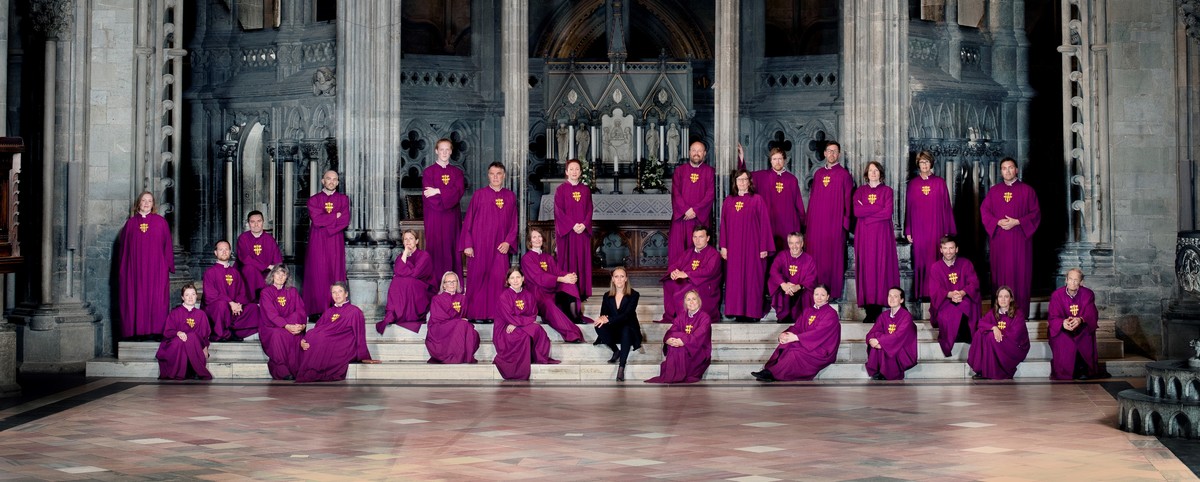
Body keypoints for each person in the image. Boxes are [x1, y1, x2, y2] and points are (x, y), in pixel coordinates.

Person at [458, 162, 518, 322]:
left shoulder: (510, 196)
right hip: (479, 245)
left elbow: (514, 223)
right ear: (488, 175)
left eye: (499, 173)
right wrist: (468, 244)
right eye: (492, 174)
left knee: (498, 280)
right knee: (478, 278)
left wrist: (508, 242)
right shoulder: (479, 195)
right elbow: (468, 220)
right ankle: (475, 314)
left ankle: (495, 314)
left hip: (500, 247)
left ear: (504, 175)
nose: (496, 177)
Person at [980, 157, 1040, 313]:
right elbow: (984, 212)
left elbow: (1035, 214)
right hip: (1000, 242)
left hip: (1020, 241)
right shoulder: (994, 191)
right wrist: (997, 222)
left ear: (1017, 170)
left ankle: (1020, 312)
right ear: (1001, 172)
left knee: (1020, 275)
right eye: (1004, 168)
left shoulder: (1028, 191)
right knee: (1000, 275)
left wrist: (1018, 222)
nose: (1007, 171)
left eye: (1011, 167)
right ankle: (999, 311)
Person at [751, 284, 841, 382]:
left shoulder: (831, 313)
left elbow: (818, 333)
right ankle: (769, 370)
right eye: (816, 294)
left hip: (822, 349)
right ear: (813, 295)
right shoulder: (808, 310)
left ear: (828, 297)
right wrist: (785, 334)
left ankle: (773, 374)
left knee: (794, 352)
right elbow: (797, 327)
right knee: (785, 345)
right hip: (807, 344)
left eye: (822, 295)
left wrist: (796, 338)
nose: (819, 298)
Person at [295, 282, 380, 383]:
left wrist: (364, 356)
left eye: (340, 291)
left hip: (345, 344)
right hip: (329, 340)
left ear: (346, 294)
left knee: (322, 338)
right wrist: (305, 339)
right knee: (314, 335)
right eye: (334, 292)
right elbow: (317, 329)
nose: (337, 295)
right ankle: (311, 370)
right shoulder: (329, 312)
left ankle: (316, 371)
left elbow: (359, 334)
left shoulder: (354, 311)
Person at [118, 191, 174, 340]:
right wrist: (124, 271)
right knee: (136, 297)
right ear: (138, 203)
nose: (146, 203)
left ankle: (156, 331)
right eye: (144, 200)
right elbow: (124, 250)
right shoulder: (130, 224)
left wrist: (167, 266)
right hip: (135, 271)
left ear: (153, 204)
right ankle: (136, 332)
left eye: (149, 201)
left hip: (156, 270)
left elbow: (167, 246)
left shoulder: (161, 222)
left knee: (156, 298)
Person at [719, 169, 774, 322]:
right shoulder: (728, 201)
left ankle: (752, 312)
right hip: (734, 248)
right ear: (735, 182)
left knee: (752, 279)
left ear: (749, 182)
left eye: (745, 179)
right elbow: (723, 225)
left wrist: (764, 247)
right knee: (735, 279)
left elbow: (765, 225)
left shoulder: (757, 200)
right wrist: (724, 246)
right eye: (739, 180)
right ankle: (736, 311)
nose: (742, 183)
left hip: (753, 247)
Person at [904, 151, 956, 301]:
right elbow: (909, 208)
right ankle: (923, 294)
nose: (924, 165)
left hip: (937, 228)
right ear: (918, 165)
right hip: (919, 229)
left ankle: (938, 292)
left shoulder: (939, 182)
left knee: (936, 258)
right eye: (922, 162)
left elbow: (946, 207)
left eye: (927, 162)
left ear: (931, 163)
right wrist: (908, 230)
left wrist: (948, 231)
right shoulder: (913, 184)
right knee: (921, 260)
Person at [492, 268, 561, 380]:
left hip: (517, 325)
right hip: (505, 330)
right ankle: (518, 370)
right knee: (523, 335)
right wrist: (519, 322)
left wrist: (518, 323)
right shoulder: (504, 297)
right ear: (508, 280)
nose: (515, 280)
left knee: (538, 329)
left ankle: (538, 357)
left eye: (518, 277)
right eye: (512, 278)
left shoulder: (528, 295)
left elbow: (533, 315)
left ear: (523, 278)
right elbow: (510, 318)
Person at [520, 227, 586, 343]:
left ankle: (574, 315)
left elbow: (557, 272)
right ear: (529, 241)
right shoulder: (527, 258)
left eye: (539, 236)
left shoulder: (548, 257)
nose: (537, 239)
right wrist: (562, 278)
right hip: (538, 294)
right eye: (534, 237)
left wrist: (570, 276)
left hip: (551, 289)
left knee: (569, 284)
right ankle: (572, 333)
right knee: (549, 303)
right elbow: (539, 277)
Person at [853, 161, 900, 324]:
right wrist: (876, 208)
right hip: (864, 236)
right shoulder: (860, 191)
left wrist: (867, 211)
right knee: (867, 269)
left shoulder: (887, 191)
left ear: (880, 173)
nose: (873, 173)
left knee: (881, 267)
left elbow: (887, 213)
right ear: (866, 173)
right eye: (870, 170)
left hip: (882, 235)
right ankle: (869, 310)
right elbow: (856, 211)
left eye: (876, 170)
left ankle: (880, 307)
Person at [806, 141, 853, 300]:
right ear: (824, 153)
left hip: (835, 224)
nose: (831, 154)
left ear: (838, 154)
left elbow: (848, 201)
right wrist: (809, 225)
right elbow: (812, 200)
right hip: (817, 225)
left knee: (833, 259)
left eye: (835, 151)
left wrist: (844, 224)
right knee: (816, 258)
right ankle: (815, 294)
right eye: (829, 151)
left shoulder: (844, 175)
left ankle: (832, 294)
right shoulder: (818, 174)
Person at [303, 170, 351, 316]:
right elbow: (316, 221)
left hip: (335, 240)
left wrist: (327, 219)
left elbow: (344, 220)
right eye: (328, 179)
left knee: (335, 271)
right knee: (318, 272)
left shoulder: (343, 199)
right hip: (317, 240)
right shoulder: (313, 200)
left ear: (337, 182)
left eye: (334, 179)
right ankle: (318, 310)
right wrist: (334, 216)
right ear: (323, 181)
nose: (331, 182)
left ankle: (336, 308)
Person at [1048, 268, 1106, 380]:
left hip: (1081, 327)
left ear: (1081, 282)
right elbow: (1053, 317)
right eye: (1070, 279)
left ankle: (1084, 369)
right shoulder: (1056, 295)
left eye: (1076, 280)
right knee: (1062, 337)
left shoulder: (1088, 294)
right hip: (1064, 328)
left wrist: (1080, 319)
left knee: (1085, 332)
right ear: (1066, 280)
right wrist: (1063, 322)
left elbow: (1091, 313)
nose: (1072, 283)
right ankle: (1066, 370)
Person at [927, 236, 980, 357]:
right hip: (945, 300)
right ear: (941, 250)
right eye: (945, 248)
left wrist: (962, 293)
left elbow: (974, 283)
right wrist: (951, 295)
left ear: (956, 249)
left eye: (951, 248)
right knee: (948, 311)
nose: (948, 251)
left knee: (967, 305)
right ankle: (951, 339)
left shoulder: (966, 264)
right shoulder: (935, 267)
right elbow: (935, 289)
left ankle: (967, 336)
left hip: (964, 297)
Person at [376, 230, 435, 334]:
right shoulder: (401, 257)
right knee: (397, 280)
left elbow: (415, 274)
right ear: (403, 242)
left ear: (417, 241)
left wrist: (404, 271)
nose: (408, 241)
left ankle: (404, 314)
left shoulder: (424, 255)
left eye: (411, 238)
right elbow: (398, 271)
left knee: (406, 280)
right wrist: (405, 253)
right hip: (409, 285)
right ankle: (397, 313)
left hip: (424, 289)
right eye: (405, 239)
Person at [646, 290, 712, 384]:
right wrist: (669, 340)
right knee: (674, 344)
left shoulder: (705, 317)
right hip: (684, 349)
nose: (691, 302)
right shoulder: (681, 317)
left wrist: (683, 340)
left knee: (679, 343)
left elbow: (698, 335)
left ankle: (674, 374)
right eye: (688, 299)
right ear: (685, 302)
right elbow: (671, 332)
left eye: (694, 299)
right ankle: (675, 375)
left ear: (699, 301)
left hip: (698, 352)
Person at [423, 139, 466, 278]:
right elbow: (428, 196)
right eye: (441, 149)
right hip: (434, 217)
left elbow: (458, 192)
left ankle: (453, 286)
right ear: (436, 151)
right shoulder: (428, 172)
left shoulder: (457, 173)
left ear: (451, 151)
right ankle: (436, 288)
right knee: (436, 251)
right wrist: (446, 195)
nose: (444, 152)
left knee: (452, 249)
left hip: (452, 218)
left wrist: (438, 191)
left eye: (447, 149)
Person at [660, 225, 722, 323]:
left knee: (684, 290)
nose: (697, 240)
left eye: (701, 237)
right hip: (689, 280)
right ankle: (673, 314)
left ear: (708, 238)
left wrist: (686, 274)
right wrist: (673, 272)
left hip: (705, 285)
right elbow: (676, 265)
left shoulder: (714, 254)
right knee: (669, 283)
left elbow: (708, 271)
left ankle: (685, 319)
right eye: (695, 237)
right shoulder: (688, 252)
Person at [968, 286, 1030, 380]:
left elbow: (1016, 334)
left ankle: (998, 372)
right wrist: (994, 327)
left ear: (1011, 299)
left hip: (1015, 347)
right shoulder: (993, 312)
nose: (1003, 299)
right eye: (1000, 296)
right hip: (999, 342)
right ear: (997, 299)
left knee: (990, 337)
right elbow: (981, 323)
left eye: (1006, 296)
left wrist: (998, 333)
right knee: (980, 333)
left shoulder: (1018, 314)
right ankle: (983, 370)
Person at [203, 240, 261, 341]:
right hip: (217, 309)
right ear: (215, 253)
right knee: (221, 305)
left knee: (253, 308)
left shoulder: (235, 273)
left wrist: (237, 305)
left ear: (230, 252)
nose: (224, 252)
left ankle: (233, 332)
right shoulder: (210, 272)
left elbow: (242, 293)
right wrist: (230, 302)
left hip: (233, 310)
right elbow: (210, 295)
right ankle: (221, 333)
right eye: (221, 249)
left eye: (227, 249)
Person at [750, 146, 806, 251]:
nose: (777, 162)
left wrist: (802, 223)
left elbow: (798, 204)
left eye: (780, 159)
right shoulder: (762, 176)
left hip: (788, 223)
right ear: (771, 161)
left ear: (784, 160)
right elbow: (744, 177)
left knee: (787, 253)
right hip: (769, 223)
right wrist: (741, 158)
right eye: (774, 159)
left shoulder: (792, 179)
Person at [668, 141, 715, 261]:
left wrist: (695, 211)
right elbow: (676, 194)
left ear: (704, 153)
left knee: (699, 250)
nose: (696, 153)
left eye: (699, 151)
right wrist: (686, 210)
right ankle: (677, 277)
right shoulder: (679, 171)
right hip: (681, 218)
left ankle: (696, 277)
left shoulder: (710, 171)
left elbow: (710, 195)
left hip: (700, 218)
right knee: (678, 249)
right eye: (694, 150)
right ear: (689, 152)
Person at [554, 158, 594, 301]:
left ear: (581, 172)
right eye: (571, 169)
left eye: (577, 169)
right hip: (567, 233)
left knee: (582, 259)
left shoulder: (585, 190)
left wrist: (584, 224)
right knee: (567, 259)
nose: (574, 172)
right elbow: (559, 212)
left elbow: (590, 209)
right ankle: (568, 291)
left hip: (582, 232)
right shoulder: (560, 190)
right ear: (566, 172)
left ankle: (582, 291)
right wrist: (572, 225)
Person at [258, 265, 307, 380]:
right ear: (272, 275)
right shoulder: (266, 292)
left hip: (291, 325)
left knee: (296, 325)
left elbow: (301, 310)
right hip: (272, 326)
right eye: (278, 273)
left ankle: (295, 368)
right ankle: (281, 369)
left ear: (287, 277)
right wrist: (286, 325)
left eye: (283, 274)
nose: (280, 276)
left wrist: (302, 325)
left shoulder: (292, 291)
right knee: (277, 334)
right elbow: (271, 315)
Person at [594, 267, 642, 381]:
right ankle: (616, 350)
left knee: (625, 329)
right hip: (614, 328)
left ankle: (621, 367)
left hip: (629, 328)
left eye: (622, 276)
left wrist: (608, 319)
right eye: (616, 276)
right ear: (613, 279)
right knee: (598, 325)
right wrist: (602, 318)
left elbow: (627, 315)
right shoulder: (607, 295)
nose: (619, 279)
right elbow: (603, 313)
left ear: (626, 279)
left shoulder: (634, 294)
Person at [156, 284, 212, 380]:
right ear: (182, 297)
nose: (190, 297)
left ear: (196, 296)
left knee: (192, 336)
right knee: (185, 339)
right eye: (187, 295)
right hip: (177, 346)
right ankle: (187, 370)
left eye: (193, 294)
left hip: (195, 348)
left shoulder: (201, 314)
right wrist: (178, 333)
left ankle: (192, 369)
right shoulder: (175, 313)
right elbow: (167, 332)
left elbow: (204, 335)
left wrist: (205, 348)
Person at [424, 271, 480, 364]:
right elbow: (439, 317)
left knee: (469, 329)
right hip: (439, 327)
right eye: (449, 282)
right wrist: (457, 319)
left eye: (454, 281)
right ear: (444, 285)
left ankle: (463, 356)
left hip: (457, 326)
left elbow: (464, 315)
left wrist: (459, 320)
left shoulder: (463, 298)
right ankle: (455, 356)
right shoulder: (437, 299)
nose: (452, 284)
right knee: (462, 324)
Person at [864, 287, 918, 380]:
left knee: (886, 345)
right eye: (890, 296)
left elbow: (899, 336)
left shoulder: (906, 316)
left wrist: (880, 341)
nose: (892, 299)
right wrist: (874, 340)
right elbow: (872, 332)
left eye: (895, 296)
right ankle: (880, 371)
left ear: (901, 300)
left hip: (903, 348)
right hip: (890, 343)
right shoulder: (883, 315)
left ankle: (890, 374)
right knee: (880, 342)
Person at [767, 232, 818, 324]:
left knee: (807, 293)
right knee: (774, 281)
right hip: (785, 289)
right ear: (788, 244)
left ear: (802, 244)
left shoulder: (809, 259)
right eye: (791, 243)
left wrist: (797, 287)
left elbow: (811, 279)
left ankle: (801, 317)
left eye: (797, 243)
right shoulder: (782, 256)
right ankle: (783, 315)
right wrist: (783, 284)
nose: (794, 246)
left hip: (801, 290)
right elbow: (773, 271)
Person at [236, 210, 282, 302]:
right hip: (248, 275)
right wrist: (267, 266)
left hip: (266, 275)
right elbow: (245, 259)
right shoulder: (243, 238)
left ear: (263, 222)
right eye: (252, 222)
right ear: (248, 223)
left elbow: (277, 260)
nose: (256, 224)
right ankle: (252, 302)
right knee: (249, 269)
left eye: (259, 221)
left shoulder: (269, 239)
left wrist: (277, 270)